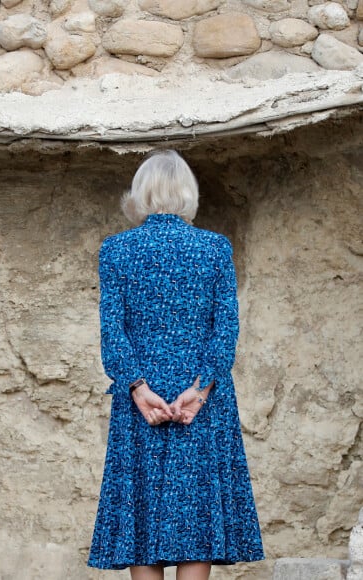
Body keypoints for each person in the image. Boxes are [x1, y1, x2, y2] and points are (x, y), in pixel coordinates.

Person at [87, 151, 264, 580]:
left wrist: (136, 387)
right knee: (196, 519)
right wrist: (201, 389)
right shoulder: (215, 248)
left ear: (139, 194)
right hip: (198, 401)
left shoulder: (115, 251)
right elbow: (226, 330)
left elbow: (113, 332)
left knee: (141, 516)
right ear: (188, 194)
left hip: (141, 403)